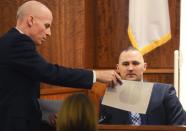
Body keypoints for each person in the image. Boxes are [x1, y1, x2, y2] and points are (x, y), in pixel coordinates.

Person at [0, 1, 121, 131]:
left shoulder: (13, 41)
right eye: (47, 26)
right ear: (30, 20)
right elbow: (50, 72)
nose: (49, 33)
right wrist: (96, 75)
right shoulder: (17, 42)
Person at [100, 46, 186, 125]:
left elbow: (181, 125)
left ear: (144, 67)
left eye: (135, 63)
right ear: (118, 68)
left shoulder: (165, 93)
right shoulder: (108, 100)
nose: (130, 68)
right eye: (125, 64)